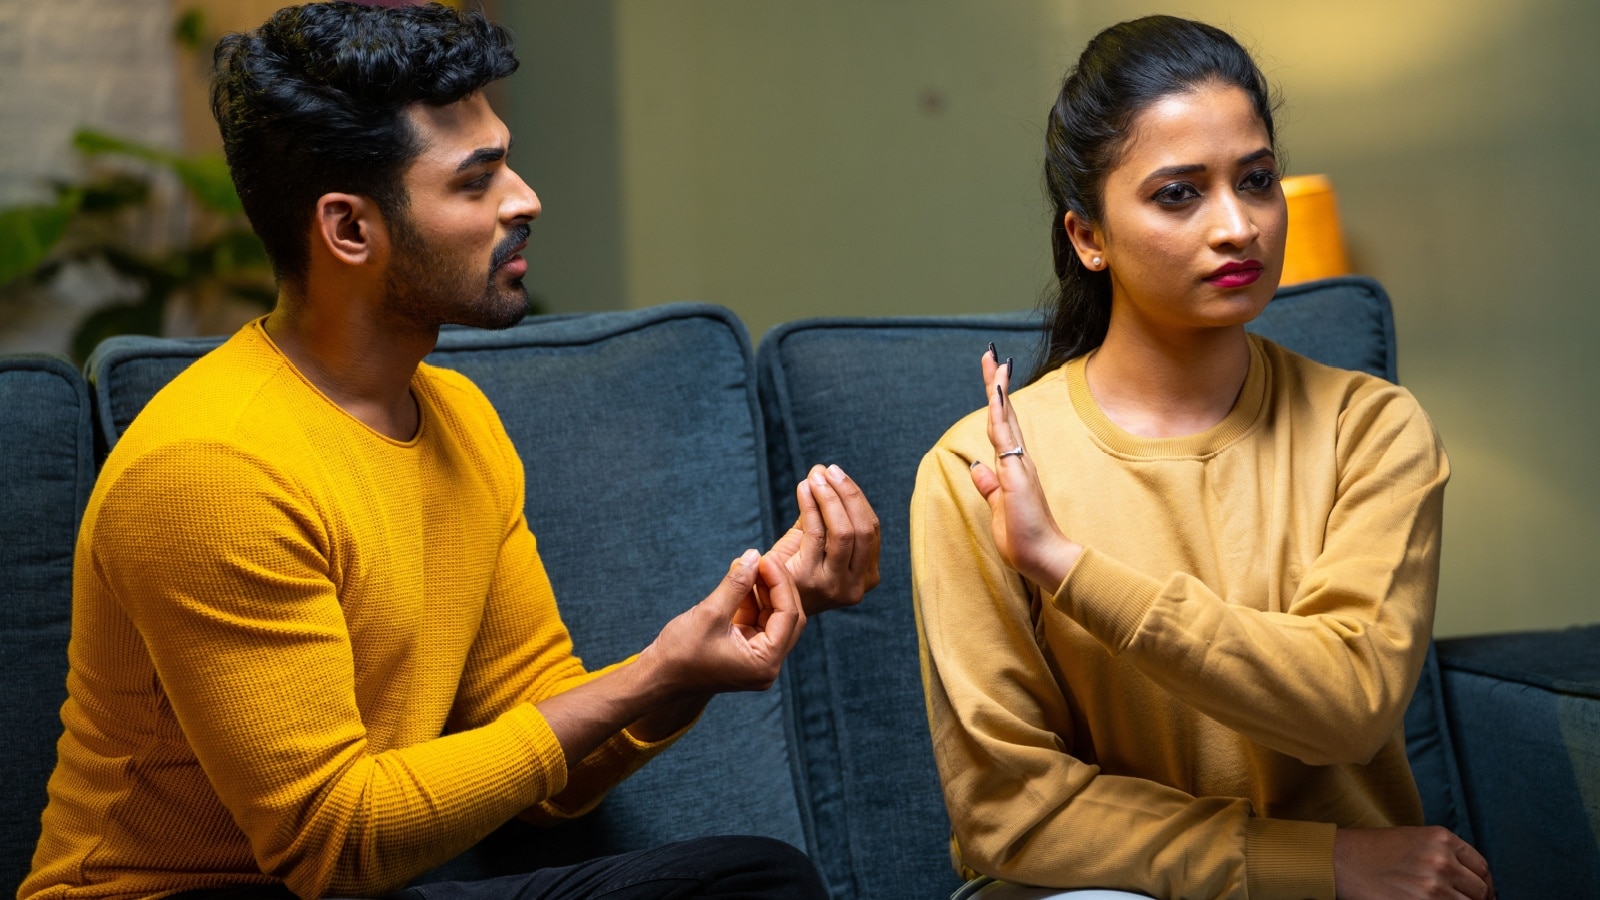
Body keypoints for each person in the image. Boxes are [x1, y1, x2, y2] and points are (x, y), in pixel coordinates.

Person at [21, 4, 880, 900]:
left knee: (744, 878)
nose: (525, 198)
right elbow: (332, 843)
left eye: (505, 160)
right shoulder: (212, 466)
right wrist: (655, 672)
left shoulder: (458, 418)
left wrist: (710, 649)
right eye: (476, 181)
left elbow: (558, 768)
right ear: (349, 229)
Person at [911, 16, 1493, 900]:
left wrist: (1067, 568)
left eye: (1257, 182)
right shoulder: (974, 473)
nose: (1238, 226)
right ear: (1088, 237)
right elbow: (1009, 810)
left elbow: (1348, 704)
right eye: (1179, 194)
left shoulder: (1371, 428)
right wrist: (1313, 862)